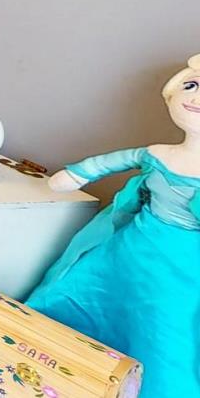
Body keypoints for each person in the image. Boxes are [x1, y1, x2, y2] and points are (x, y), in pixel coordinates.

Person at [27, 54, 200, 398]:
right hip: (135, 242)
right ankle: (42, 349)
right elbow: (114, 161)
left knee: (163, 321)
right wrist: (76, 174)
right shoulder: (159, 154)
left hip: (185, 263)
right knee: (88, 283)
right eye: (191, 85)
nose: (194, 97)